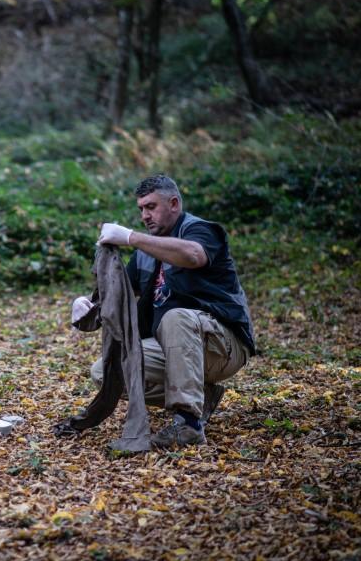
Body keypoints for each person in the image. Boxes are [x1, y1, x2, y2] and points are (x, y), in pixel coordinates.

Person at [71, 173, 255, 448]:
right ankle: (201, 397)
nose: (145, 215)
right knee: (106, 372)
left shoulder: (201, 230)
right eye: (141, 209)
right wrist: (86, 304)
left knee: (175, 317)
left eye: (151, 207)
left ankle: (188, 424)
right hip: (178, 349)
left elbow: (193, 255)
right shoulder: (145, 251)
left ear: (174, 203)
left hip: (224, 346)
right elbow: (117, 294)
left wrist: (131, 237)